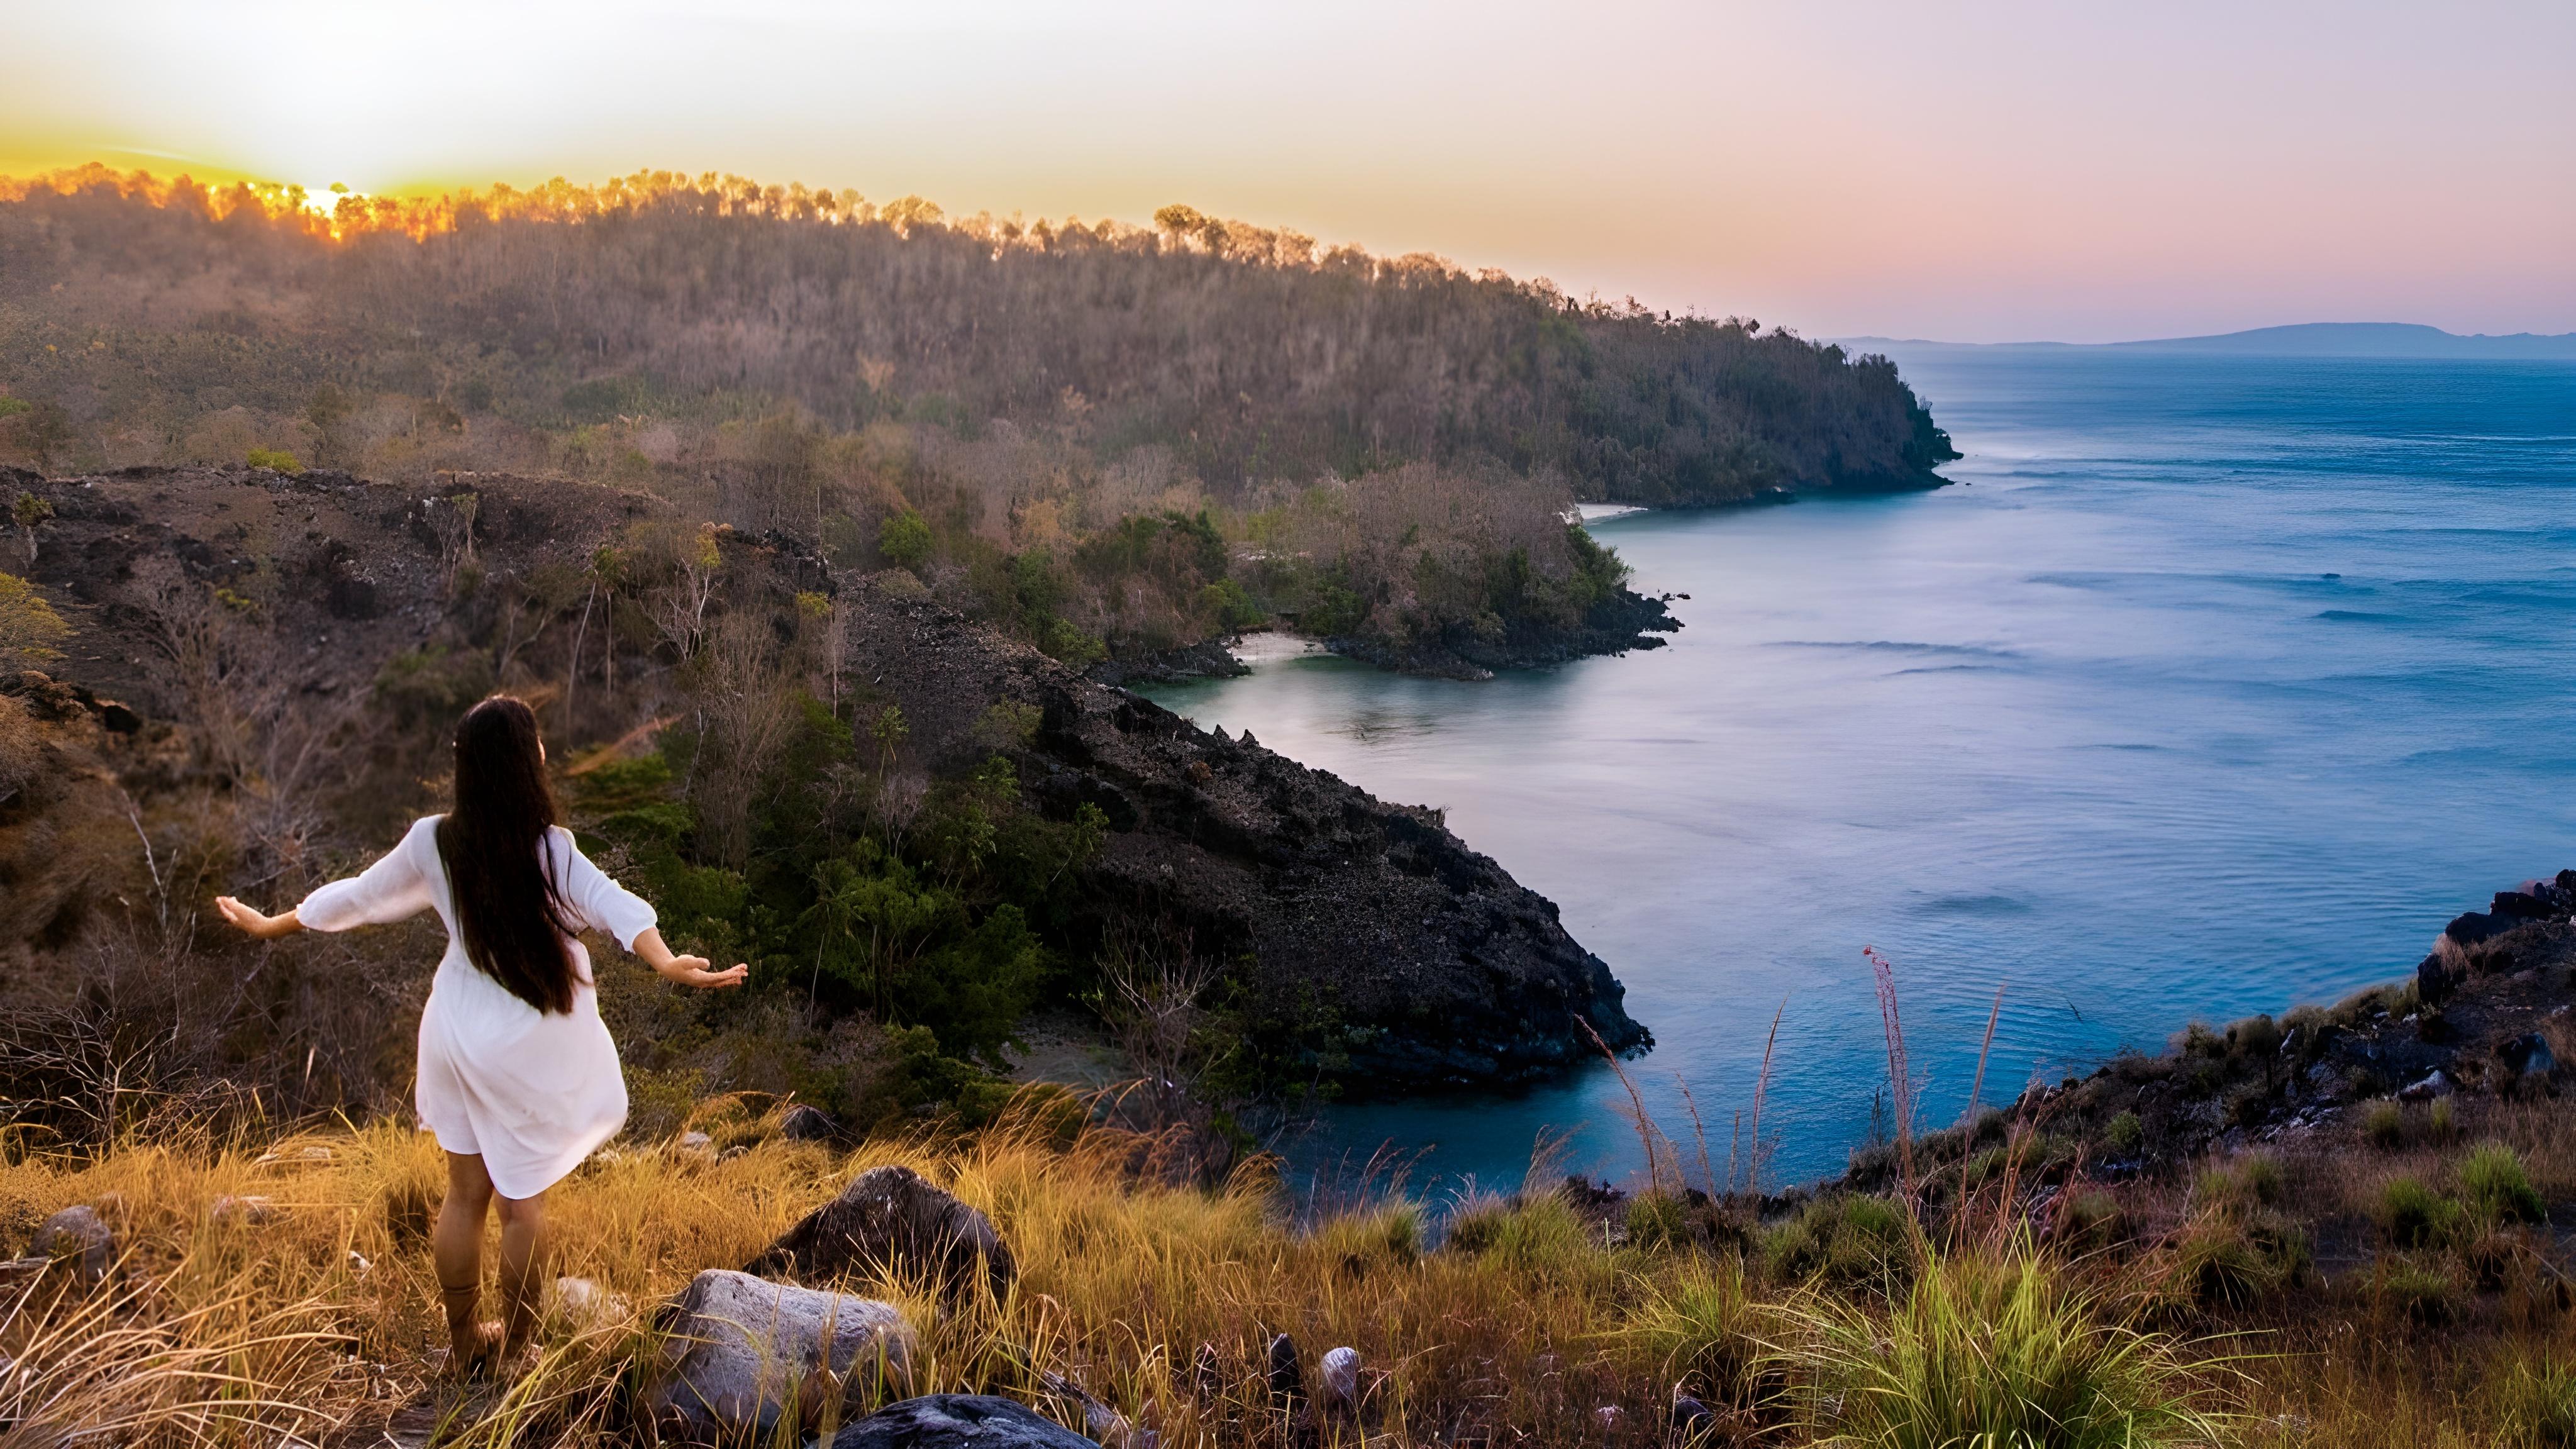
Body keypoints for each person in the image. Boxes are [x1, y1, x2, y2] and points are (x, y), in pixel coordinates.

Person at [214, 696, 747, 1374]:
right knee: (522, 1209)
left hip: (455, 1032)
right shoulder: (550, 850)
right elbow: (613, 902)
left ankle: (464, 1344)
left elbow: (356, 897)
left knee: (463, 1196)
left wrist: (272, 925)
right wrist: (665, 960)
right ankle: (517, 1352)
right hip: (524, 1039)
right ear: (530, 762)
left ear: (467, 769)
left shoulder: (433, 840)